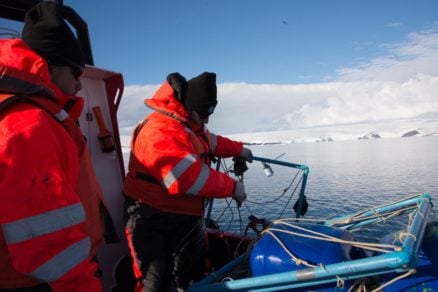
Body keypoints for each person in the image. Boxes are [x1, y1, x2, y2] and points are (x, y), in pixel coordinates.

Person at [0, 2, 117, 291]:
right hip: (39, 282)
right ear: (50, 68)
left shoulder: (33, 115)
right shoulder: (29, 125)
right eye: (76, 72)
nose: (80, 85)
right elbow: (49, 248)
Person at [123, 72, 253, 291]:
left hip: (185, 217)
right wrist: (233, 187)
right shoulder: (159, 131)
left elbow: (213, 143)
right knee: (154, 281)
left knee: (190, 272)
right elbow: (185, 178)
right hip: (151, 218)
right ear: (189, 107)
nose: (207, 119)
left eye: (210, 112)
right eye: (204, 113)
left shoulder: (191, 125)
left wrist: (240, 149)